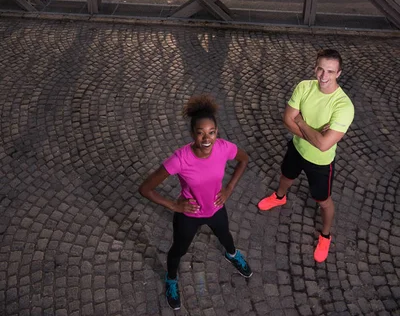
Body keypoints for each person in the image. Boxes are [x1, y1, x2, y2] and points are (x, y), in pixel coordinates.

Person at [139, 94, 252, 311]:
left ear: (217, 132)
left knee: (226, 236)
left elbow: (244, 159)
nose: (206, 138)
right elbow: (145, 189)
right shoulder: (180, 159)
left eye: (211, 132)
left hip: (217, 208)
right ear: (193, 135)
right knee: (178, 251)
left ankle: (232, 255)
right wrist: (174, 206)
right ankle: (171, 279)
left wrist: (228, 189)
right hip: (189, 215)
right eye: (200, 133)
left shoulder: (223, 147)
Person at [258, 48, 354, 263]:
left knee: (323, 201)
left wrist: (301, 121)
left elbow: (322, 146)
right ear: (315, 68)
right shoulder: (304, 86)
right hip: (296, 148)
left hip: (321, 162)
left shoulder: (344, 106)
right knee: (286, 175)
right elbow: (286, 119)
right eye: (320, 69)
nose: (323, 76)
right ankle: (279, 197)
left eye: (330, 71)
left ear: (338, 73)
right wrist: (316, 134)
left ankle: (325, 235)